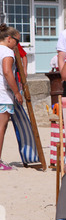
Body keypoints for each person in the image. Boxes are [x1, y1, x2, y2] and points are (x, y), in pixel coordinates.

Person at [0, 24, 23, 170]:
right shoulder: (7, 52)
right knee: (1, 127)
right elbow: (8, 72)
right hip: (3, 94)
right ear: (9, 39)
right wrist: (16, 92)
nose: (17, 44)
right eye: (17, 41)